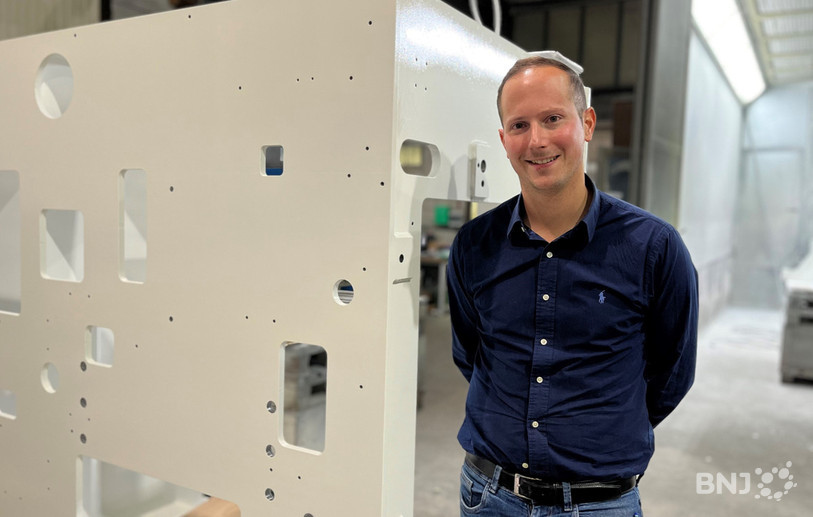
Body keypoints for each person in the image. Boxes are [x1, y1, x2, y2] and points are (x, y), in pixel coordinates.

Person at [446, 55, 698, 516]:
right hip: (489, 496)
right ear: (504, 140)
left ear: (586, 123)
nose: (537, 140)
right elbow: (472, 353)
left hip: (600, 503)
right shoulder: (473, 246)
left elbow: (672, 370)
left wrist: (604, 424)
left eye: (552, 119)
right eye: (519, 125)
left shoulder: (653, 247)